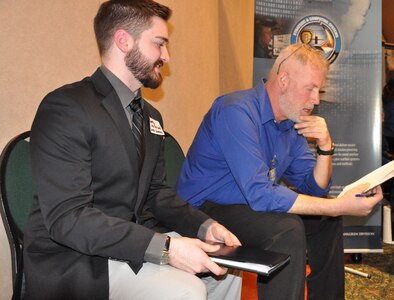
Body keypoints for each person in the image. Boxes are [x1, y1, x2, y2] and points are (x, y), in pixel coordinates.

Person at [23, 1, 243, 299]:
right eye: (159, 44)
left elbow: (156, 192)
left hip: (132, 243)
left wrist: (204, 225)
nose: (166, 55)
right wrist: (166, 249)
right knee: (186, 291)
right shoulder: (66, 107)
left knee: (227, 270)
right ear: (124, 40)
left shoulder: (151, 117)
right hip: (80, 260)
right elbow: (68, 219)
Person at [176, 43, 383, 300]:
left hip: (246, 206)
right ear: (283, 80)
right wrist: (338, 206)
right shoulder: (236, 110)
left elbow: (315, 188)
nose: (316, 99)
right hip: (202, 210)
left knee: (326, 221)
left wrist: (326, 148)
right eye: (310, 89)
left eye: (319, 90)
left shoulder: (289, 122)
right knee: (287, 229)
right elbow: (261, 194)